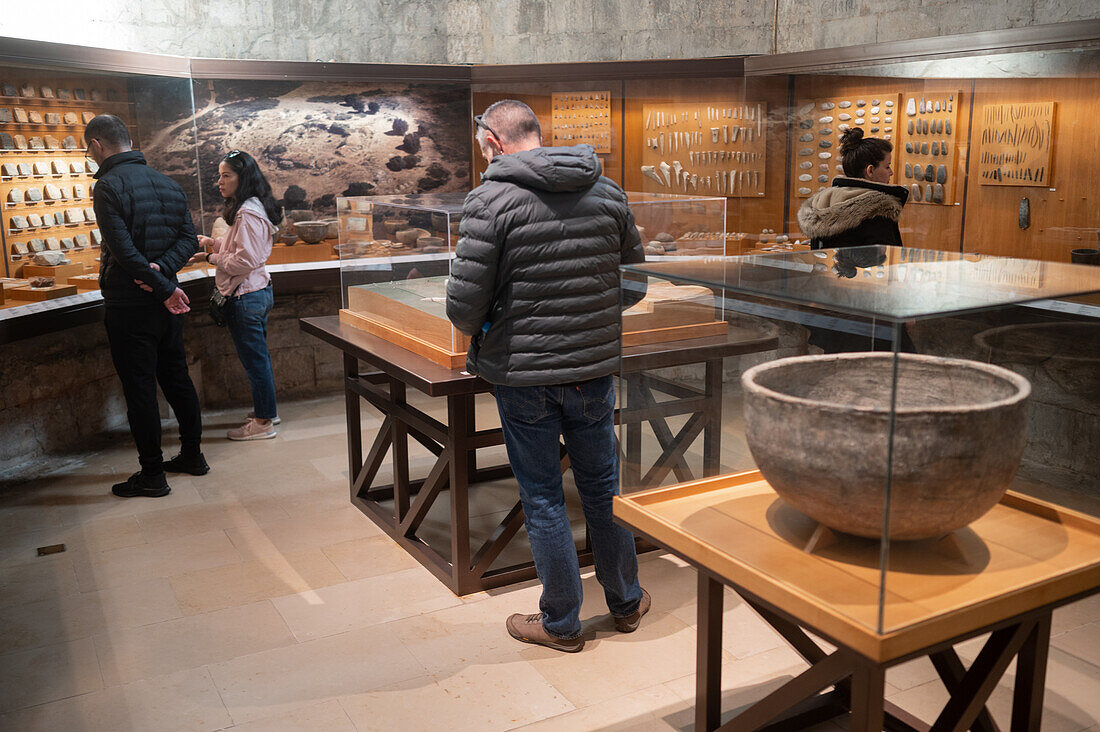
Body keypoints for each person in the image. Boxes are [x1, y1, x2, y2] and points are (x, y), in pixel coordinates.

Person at [446, 100, 649, 653]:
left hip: (523, 373)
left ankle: (562, 624)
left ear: (491, 141)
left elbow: (464, 309)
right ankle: (626, 601)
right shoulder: (607, 192)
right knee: (604, 489)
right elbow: (634, 284)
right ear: (538, 134)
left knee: (541, 497)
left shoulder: (489, 200)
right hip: (593, 369)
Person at [86, 113, 207, 497]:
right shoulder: (168, 183)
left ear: (96, 146)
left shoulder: (108, 186)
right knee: (176, 378)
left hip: (130, 305)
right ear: (132, 144)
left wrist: (156, 279)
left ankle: (153, 475)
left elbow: (123, 252)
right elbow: (190, 239)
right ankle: (192, 455)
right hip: (166, 303)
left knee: (140, 390)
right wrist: (164, 276)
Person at [190, 150, 281, 440]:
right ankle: (266, 412)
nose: (220, 181)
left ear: (243, 178)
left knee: (255, 363)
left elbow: (245, 260)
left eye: (226, 175)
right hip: (254, 291)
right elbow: (242, 248)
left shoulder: (248, 212)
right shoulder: (250, 208)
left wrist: (210, 258)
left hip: (247, 295)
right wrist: (214, 243)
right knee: (259, 360)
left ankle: (263, 423)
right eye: (220, 175)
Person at [797, 128, 908, 249]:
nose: (891, 173)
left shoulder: (822, 202)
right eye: (887, 167)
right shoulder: (879, 210)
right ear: (870, 170)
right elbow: (883, 261)